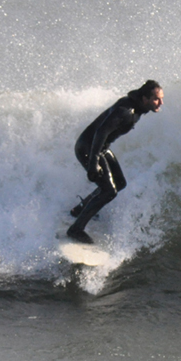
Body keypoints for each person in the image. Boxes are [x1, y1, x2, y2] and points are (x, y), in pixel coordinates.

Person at [66, 80, 164, 243]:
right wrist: (93, 163)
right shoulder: (125, 110)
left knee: (119, 183)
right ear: (144, 98)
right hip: (88, 148)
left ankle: (79, 210)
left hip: (100, 148)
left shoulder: (139, 108)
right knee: (109, 191)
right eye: (156, 99)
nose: (161, 102)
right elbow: (100, 132)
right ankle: (75, 229)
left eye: (161, 98)